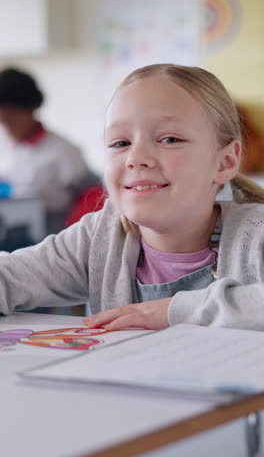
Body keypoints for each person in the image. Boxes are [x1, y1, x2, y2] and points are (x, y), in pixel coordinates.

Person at [1, 63, 264, 332]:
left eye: (170, 139)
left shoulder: (256, 235)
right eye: (120, 143)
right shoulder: (99, 238)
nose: (136, 158)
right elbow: (10, 277)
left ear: (224, 162)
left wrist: (174, 311)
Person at [0, 67, 101, 233]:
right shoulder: (3, 147)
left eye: (11, 119)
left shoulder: (64, 151)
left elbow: (92, 195)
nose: (8, 127)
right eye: (2, 121)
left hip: (54, 238)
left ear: (31, 108)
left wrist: (75, 232)